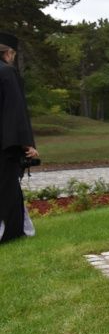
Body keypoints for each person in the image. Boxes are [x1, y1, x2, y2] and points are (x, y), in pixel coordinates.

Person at [0, 32, 38, 243]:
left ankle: (21, 227)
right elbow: (15, 111)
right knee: (6, 186)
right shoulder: (7, 73)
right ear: (9, 53)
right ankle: (9, 231)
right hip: (5, 143)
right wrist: (27, 144)